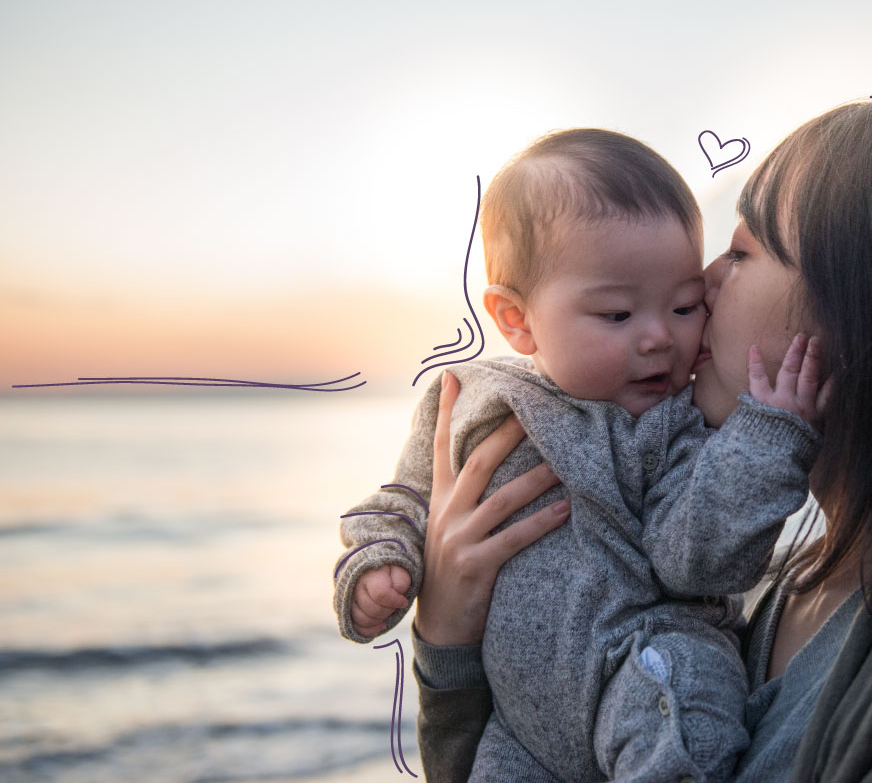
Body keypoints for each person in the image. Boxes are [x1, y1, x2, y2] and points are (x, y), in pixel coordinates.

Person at [410, 98, 872, 782]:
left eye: (741, 251)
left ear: (863, 310)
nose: (703, 281)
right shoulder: (781, 586)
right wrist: (450, 636)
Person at [333, 129, 827, 782]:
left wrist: (763, 442)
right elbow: (405, 502)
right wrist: (377, 565)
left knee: (681, 712)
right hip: (520, 723)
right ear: (517, 320)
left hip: (645, 661)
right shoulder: (471, 401)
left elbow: (699, 559)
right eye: (618, 315)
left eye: (683, 306)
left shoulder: (679, 428)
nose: (659, 338)